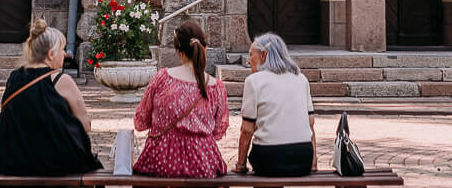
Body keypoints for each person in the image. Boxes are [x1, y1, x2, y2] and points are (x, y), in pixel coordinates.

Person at [0, 19, 101, 176]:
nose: (65, 54)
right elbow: (85, 126)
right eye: (62, 49)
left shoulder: (14, 78)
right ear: (50, 54)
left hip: (9, 161)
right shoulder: (61, 80)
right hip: (52, 163)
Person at [132, 21, 230, 176]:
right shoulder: (216, 87)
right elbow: (218, 132)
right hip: (203, 163)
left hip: (161, 160)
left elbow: (140, 122)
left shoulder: (162, 78)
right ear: (204, 48)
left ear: (179, 51)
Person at [234, 31, 315, 176]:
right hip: (303, 158)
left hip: (269, 158)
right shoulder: (301, 79)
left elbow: (247, 130)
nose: (248, 60)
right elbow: (310, 124)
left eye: (251, 54)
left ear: (263, 55)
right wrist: (313, 163)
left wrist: (240, 165)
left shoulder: (253, 81)